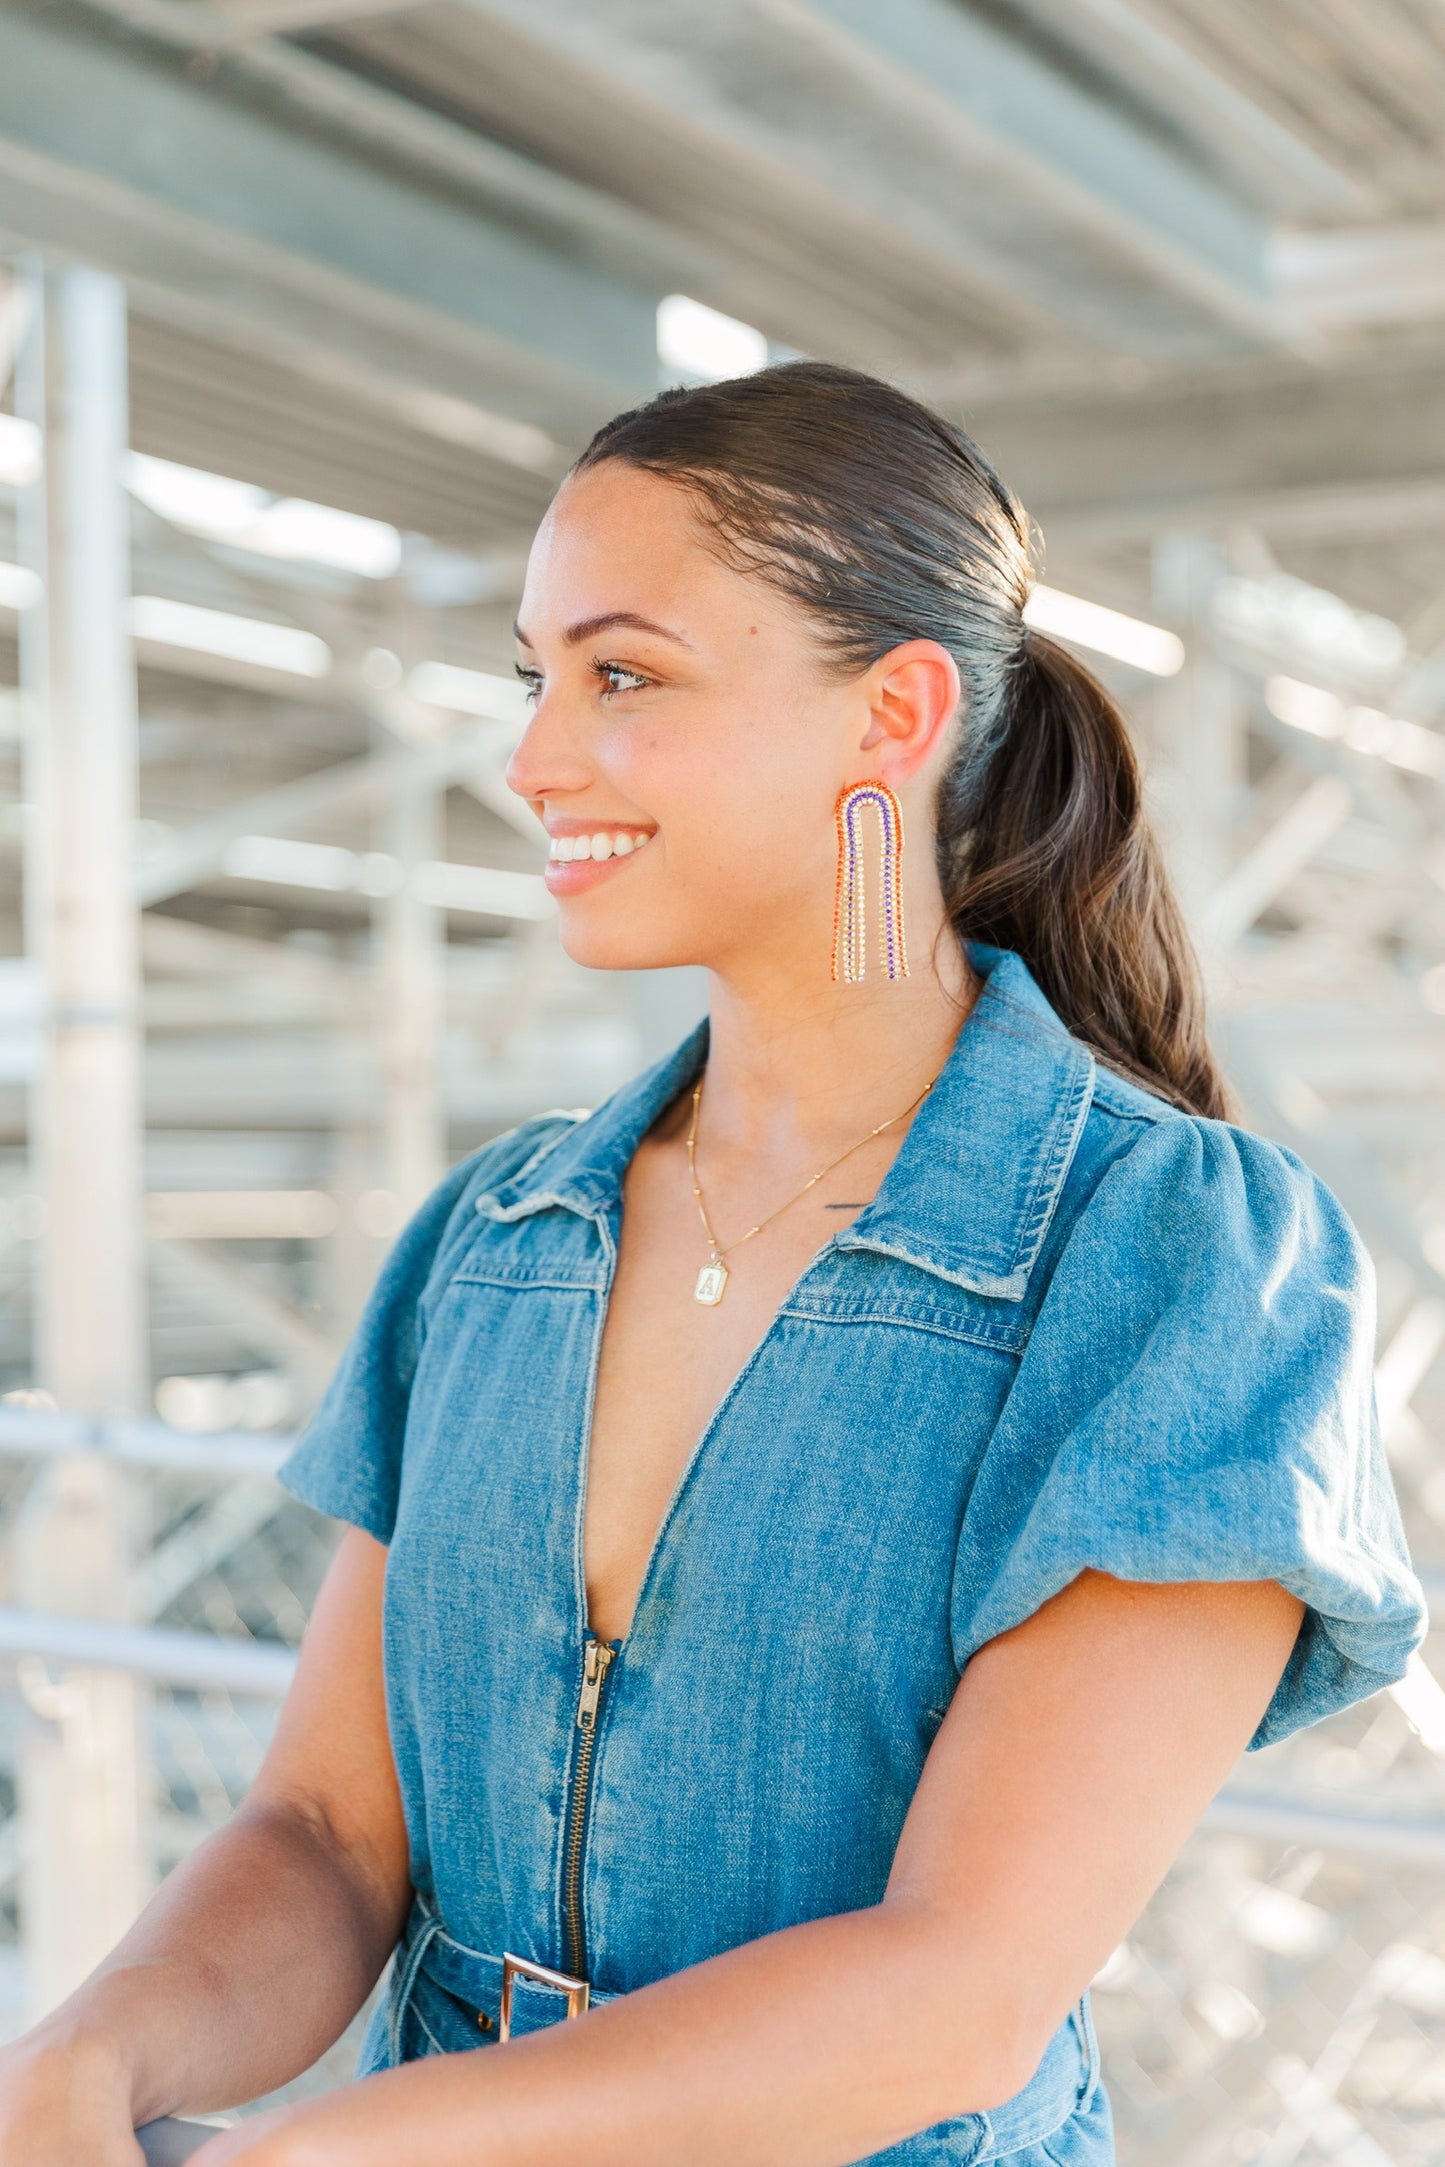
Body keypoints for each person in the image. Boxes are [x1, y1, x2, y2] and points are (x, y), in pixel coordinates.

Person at [0, 360, 1427, 2167]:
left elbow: (960, 1987)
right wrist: (91, 2051)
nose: (534, 758)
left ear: (892, 715)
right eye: (534, 678)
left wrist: (337, 2149)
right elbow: (328, 1839)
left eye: (622, 677)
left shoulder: (1178, 1263)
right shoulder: (495, 1238)